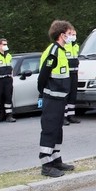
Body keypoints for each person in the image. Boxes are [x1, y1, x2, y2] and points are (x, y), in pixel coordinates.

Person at [37, 20, 76, 177]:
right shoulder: (53, 51)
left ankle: (56, 159)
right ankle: (46, 164)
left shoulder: (61, 51)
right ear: (62, 35)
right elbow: (43, 75)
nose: (70, 36)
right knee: (49, 129)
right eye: (68, 33)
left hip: (60, 98)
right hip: (52, 97)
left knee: (57, 130)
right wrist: (44, 92)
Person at [63, 26, 81, 125]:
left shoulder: (76, 46)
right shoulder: (65, 46)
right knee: (66, 95)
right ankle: (64, 116)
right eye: (71, 34)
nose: (73, 36)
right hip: (67, 74)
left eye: (74, 35)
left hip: (75, 73)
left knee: (73, 95)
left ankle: (71, 115)